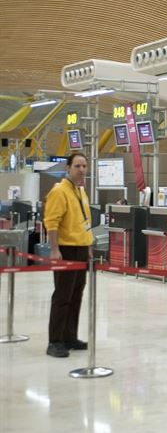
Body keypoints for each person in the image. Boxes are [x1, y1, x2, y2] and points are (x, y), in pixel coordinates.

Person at [44, 152, 94, 358]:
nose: (82, 170)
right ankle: (55, 341)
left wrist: (88, 247)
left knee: (76, 296)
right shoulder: (60, 191)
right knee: (62, 296)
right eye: (77, 166)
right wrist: (55, 250)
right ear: (68, 168)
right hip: (66, 249)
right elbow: (52, 223)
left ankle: (69, 336)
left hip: (81, 249)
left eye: (84, 166)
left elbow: (85, 222)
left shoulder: (81, 192)